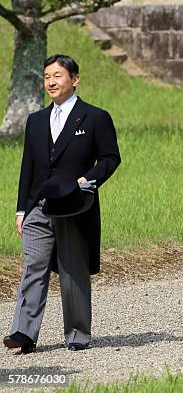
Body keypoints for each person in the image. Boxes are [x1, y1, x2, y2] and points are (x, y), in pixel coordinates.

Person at [3, 54, 121, 353]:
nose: (51, 82)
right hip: (39, 206)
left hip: (75, 205)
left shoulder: (95, 117)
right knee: (33, 266)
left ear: (74, 79)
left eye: (57, 75)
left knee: (72, 270)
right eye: (46, 77)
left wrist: (87, 180)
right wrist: (21, 210)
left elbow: (110, 158)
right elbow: (28, 167)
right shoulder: (36, 120)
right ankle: (23, 332)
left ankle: (78, 334)